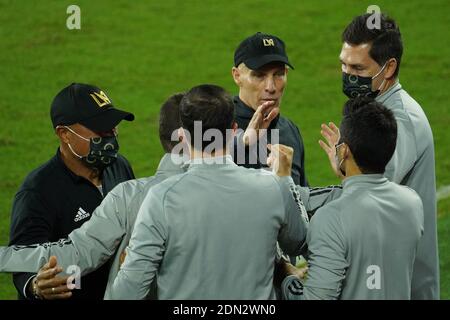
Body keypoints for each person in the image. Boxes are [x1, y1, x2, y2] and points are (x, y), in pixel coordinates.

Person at [108, 84, 308, 299]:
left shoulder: (161, 198)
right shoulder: (272, 187)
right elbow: (300, 242)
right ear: (233, 131)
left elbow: (126, 294)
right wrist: (285, 180)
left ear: (182, 136)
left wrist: (128, 264)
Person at [321, 13, 438, 299]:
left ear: (388, 68)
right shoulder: (373, 107)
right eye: (343, 64)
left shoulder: (401, 120)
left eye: (358, 67)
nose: (348, 75)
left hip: (402, 286)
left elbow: (372, 190)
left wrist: (344, 166)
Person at [280, 97, 424, 300]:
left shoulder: (331, 218)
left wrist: (286, 277)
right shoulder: (412, 203)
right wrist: (347, 171)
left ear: (344, 150)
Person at [8, 83, 135, 300]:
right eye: (100, 129)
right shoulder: (38, 192)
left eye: (112, 126)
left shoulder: (119, 166)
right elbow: (22, 259)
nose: (111, 136)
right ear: (65, 134)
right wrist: (37, 285)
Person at [231, 32, 308, 186]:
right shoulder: (215, 125)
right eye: (259, 76)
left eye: (278, 74)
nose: (271, 87)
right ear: (237, 76)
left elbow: (303, 202)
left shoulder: (290, 130)